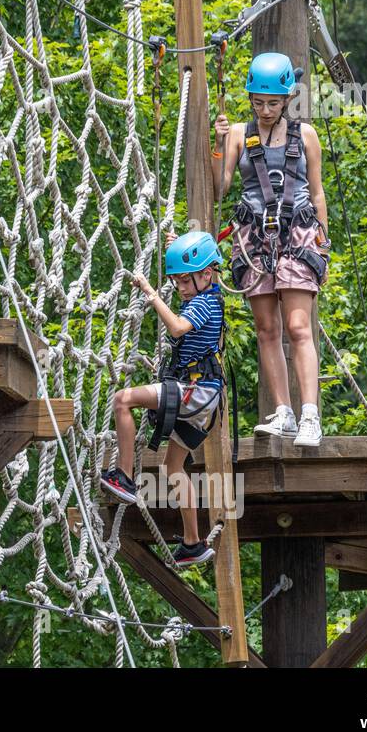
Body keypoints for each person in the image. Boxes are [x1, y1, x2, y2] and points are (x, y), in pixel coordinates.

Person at [213, 52, 331, 447]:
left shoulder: (306, 135)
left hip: (297, 234)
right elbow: (220, 186)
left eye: (273, 103)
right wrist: (217, 143)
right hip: (253, 238)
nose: (264, 110)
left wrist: (323, 245)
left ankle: (310, 415)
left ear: (286, 100)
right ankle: (283, 412)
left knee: (299, 328)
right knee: (267, 330)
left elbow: (316, 193)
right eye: (258, 102)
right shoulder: (237, 136)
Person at [99, 232, 226, 567]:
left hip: (195, 393)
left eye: (185, 281)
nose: (181, 288)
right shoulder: (207, 296)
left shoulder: (203, 303)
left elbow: (177, 328)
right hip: (206, 400)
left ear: (207, 275)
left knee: (122, 400)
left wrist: (151, 293)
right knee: (173, 467)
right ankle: (193, 543)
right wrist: (176, 241)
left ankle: (124, 477)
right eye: (177, 282)